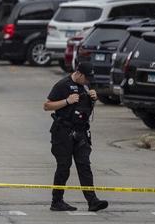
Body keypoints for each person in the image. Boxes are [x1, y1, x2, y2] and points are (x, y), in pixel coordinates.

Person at [43, 63, 109, 212]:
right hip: (63, 133)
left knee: (84, 166)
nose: (87, 82)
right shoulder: (62, 85)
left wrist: (93, 98)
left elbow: (84, 110)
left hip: (81, 133)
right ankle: (57, 201)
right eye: (86, 78)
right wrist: (67, 101)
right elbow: (47, 106)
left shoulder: (85, 86)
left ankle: (92, 201)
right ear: (78, 74)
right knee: (64, 167)